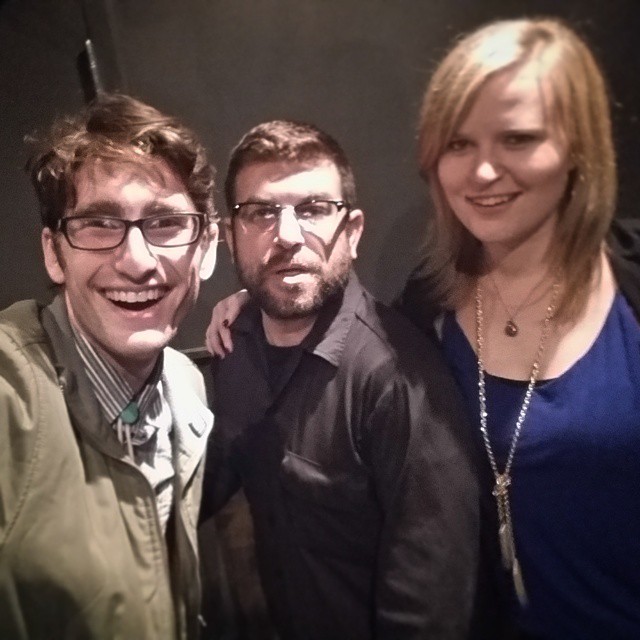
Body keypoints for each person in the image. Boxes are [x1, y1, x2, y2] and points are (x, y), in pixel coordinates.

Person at [206, 17, 640, 639]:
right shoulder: (431, 303)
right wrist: (252, 299)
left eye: (517, 138)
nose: (484, 171)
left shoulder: (629, 288)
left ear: (578, 150)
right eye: (459, 144)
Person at [199, 120, 481, 639]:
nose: (286, 236)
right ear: (230, 234)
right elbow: (224, 470)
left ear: (350, 233)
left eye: (312, 210)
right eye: (261, 212)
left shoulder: (399, 380)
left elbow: (430, 602)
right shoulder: (232, 343)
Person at [0, 94, 219, 639]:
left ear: (207, 248)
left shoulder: (185, 386)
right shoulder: (11, 396)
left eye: (166, 223)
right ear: (54, 253)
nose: (138, 260)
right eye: (99, 223)